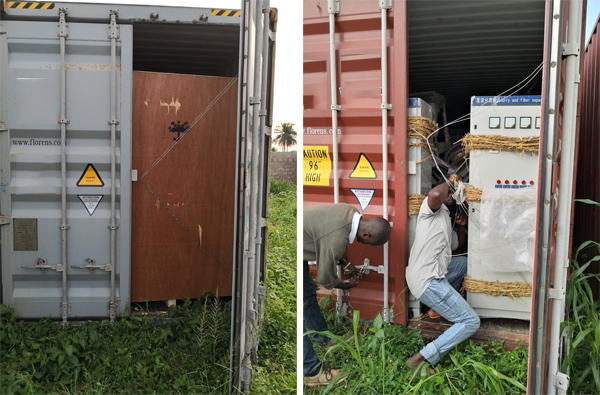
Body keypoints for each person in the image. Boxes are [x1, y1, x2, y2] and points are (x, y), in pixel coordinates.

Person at [303, 203, 391, 387]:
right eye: (369, 243)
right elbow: (326, 278)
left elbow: (326, 238)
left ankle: (323, 339)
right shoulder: (336, 238)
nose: (366, 245)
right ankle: (311, 371)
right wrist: (344, 284)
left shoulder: (350, 212)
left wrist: (343, 262)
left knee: (307, 295)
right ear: (366, 235)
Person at [405, 174, 480, 370]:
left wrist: (461, 227)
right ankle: (421, 358)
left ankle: (435, 308)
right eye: (448, 194)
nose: (449, 195)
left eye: (453, 195)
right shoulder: (429, 213)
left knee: (463, 264)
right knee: (471, 321)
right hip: (428, 281)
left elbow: (458, 246)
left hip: (428, 275)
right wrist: (450, 181)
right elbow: (436, 193)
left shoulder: (446, 220)